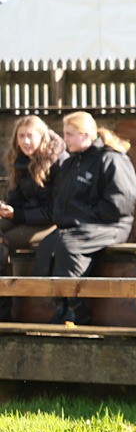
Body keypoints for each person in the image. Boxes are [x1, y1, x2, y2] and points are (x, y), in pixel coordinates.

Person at [33, 111, 136, 326]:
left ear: (84, 134)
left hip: (111, 224)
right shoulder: (71, 163)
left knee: (68, 245)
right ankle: (61, 308)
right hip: (78, 226)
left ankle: (78, 312)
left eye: (69, 134)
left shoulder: (111, 159)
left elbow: (122, 202)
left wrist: (84, 217)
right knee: (47, 246)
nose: (65, 139)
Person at [0, 116, 67, 321]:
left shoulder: (58, 161)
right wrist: (7, 208)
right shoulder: (18, 159)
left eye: (30, 136)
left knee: (3, 243)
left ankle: (4, 313)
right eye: (21, 136)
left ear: (42, 137)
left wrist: (17, 214)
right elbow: (16, 198)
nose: (26, 141)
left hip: (51, 222)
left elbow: (56, 210)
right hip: (25, 216)